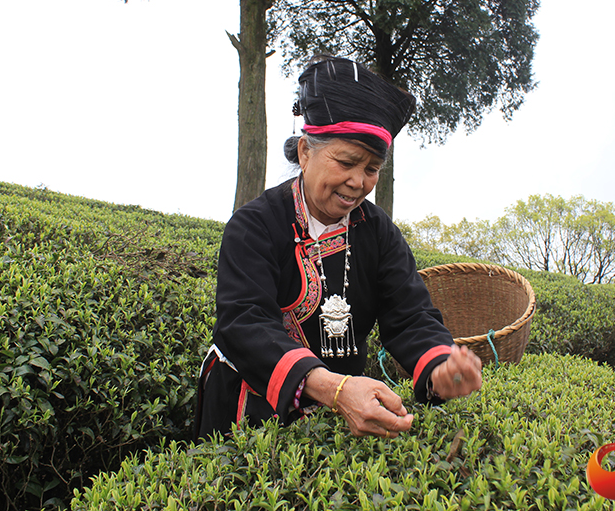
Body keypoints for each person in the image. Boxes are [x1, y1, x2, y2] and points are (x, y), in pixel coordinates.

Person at [196, 55, 482, 439]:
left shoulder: (378, 232)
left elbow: (410, 314)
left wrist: (439, 367)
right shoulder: (255, 225)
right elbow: (243, 324)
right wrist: (335, 388)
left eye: (370, 169)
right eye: (346, 162)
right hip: (250, 403)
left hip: (345, 410)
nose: (357, 182)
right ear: (305, 152)